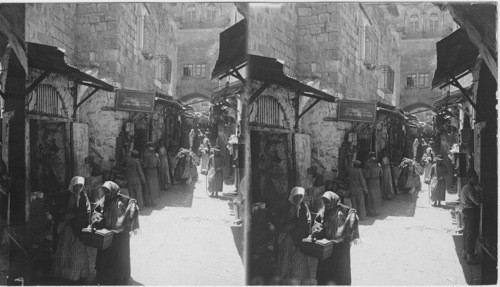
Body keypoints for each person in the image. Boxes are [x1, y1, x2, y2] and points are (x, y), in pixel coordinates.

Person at [91, 181, 139, 285]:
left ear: (113, 191)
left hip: (120, 236)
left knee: (119, 256)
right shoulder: (103, 200)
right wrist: (97, 218)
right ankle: (103, 276)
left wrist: (124, 222)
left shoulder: (122, 200)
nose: (106, 194)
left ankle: (120, 277)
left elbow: (131, 212)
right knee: (105, 256)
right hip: (107, 234)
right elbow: (97, 211)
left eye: (108, 192)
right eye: (104, 192)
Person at [312, 191, 359, 285]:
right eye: (324, 201)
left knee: (340, 271)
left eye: (328, 201)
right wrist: (317, 228)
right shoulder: (323, 211)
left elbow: (352, 219)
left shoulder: (344, 210)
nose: (326, 204)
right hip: (327, 246)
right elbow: (317, 222)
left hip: (340, 247)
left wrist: (353, 216)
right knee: (326, 271)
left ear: (334, 200)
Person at [52, 176, 91, 283]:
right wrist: (65, 216)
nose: (78, 188)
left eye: (80, 185)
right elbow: (59, 210)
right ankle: (65, 274)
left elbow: (87, 211)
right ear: (72, 185)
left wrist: (76, 216)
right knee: (65, 249)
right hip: (67, 228)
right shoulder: (65, 195)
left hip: (78, 228)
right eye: (76, 185)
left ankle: (77, 274)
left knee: (77, 251)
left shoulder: (84, 197)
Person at [274, 187, 311, 284]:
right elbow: (278, 221)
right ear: (292, 195)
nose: (298, 198)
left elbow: (307, 223)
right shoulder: (285, 206)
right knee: (285, 260)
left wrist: (294, 225)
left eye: (300, 196)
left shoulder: (304, 207)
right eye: (296, 196)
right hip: (286, 238)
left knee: (298, 263)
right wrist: (285, 226)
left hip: (299, 239)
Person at [460, 169, 482, 264]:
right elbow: (477, 201)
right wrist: (478, 191)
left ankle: (466, 253)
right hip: (470, 212)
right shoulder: (469, 189)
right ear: (469, 179)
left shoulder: (466, 187)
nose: (476, 181)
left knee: (467, 233)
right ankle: (470, 257)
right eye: (474, 179)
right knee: (471, 235)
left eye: (476, 179)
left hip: (467, 212)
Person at [364, 152, 383, 216]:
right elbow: (381, 174)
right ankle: (376, 211)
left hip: (371, 181)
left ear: (369, 157)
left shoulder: (368, 165)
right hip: (377, 181)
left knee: (371, 196)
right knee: (377, 195)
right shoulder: (379, 164)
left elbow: (367, 175)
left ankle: (371, 212)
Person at [142, 143, 160, 207]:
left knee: (148, 186)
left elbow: (145, 165)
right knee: (154, 186)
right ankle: (154, 202)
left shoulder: (146, 155)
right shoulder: (156, 155)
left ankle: (148, 202)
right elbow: (158, 164)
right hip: (154, 171)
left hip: (148, 171)